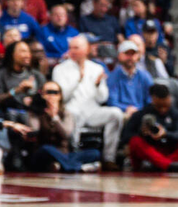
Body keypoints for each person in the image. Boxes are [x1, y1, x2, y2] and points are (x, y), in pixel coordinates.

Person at [52, 33, 125, 165]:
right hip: (71, 110)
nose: (72, 51)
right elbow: (61, 98)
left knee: (116, 114)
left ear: (86, 49)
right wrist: (77, 80)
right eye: (71, 48)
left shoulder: (96, 68)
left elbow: (103, 98)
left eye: (76, 48)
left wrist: (98, 86)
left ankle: (109, 158)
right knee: (73, 113)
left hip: (92, 111)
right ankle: (74, 156)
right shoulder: (60, 69)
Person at [126, 82, 178, 172]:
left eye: (165, 106)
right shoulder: (141, 114)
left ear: (170, 99)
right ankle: (168, 165)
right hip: (150, 149)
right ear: (153, 100)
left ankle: (160, 164)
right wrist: (142, 133)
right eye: (159, 107)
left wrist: (166, 134)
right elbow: (125, 136)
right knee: (135, 141)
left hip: (169, 149)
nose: (163, 109)